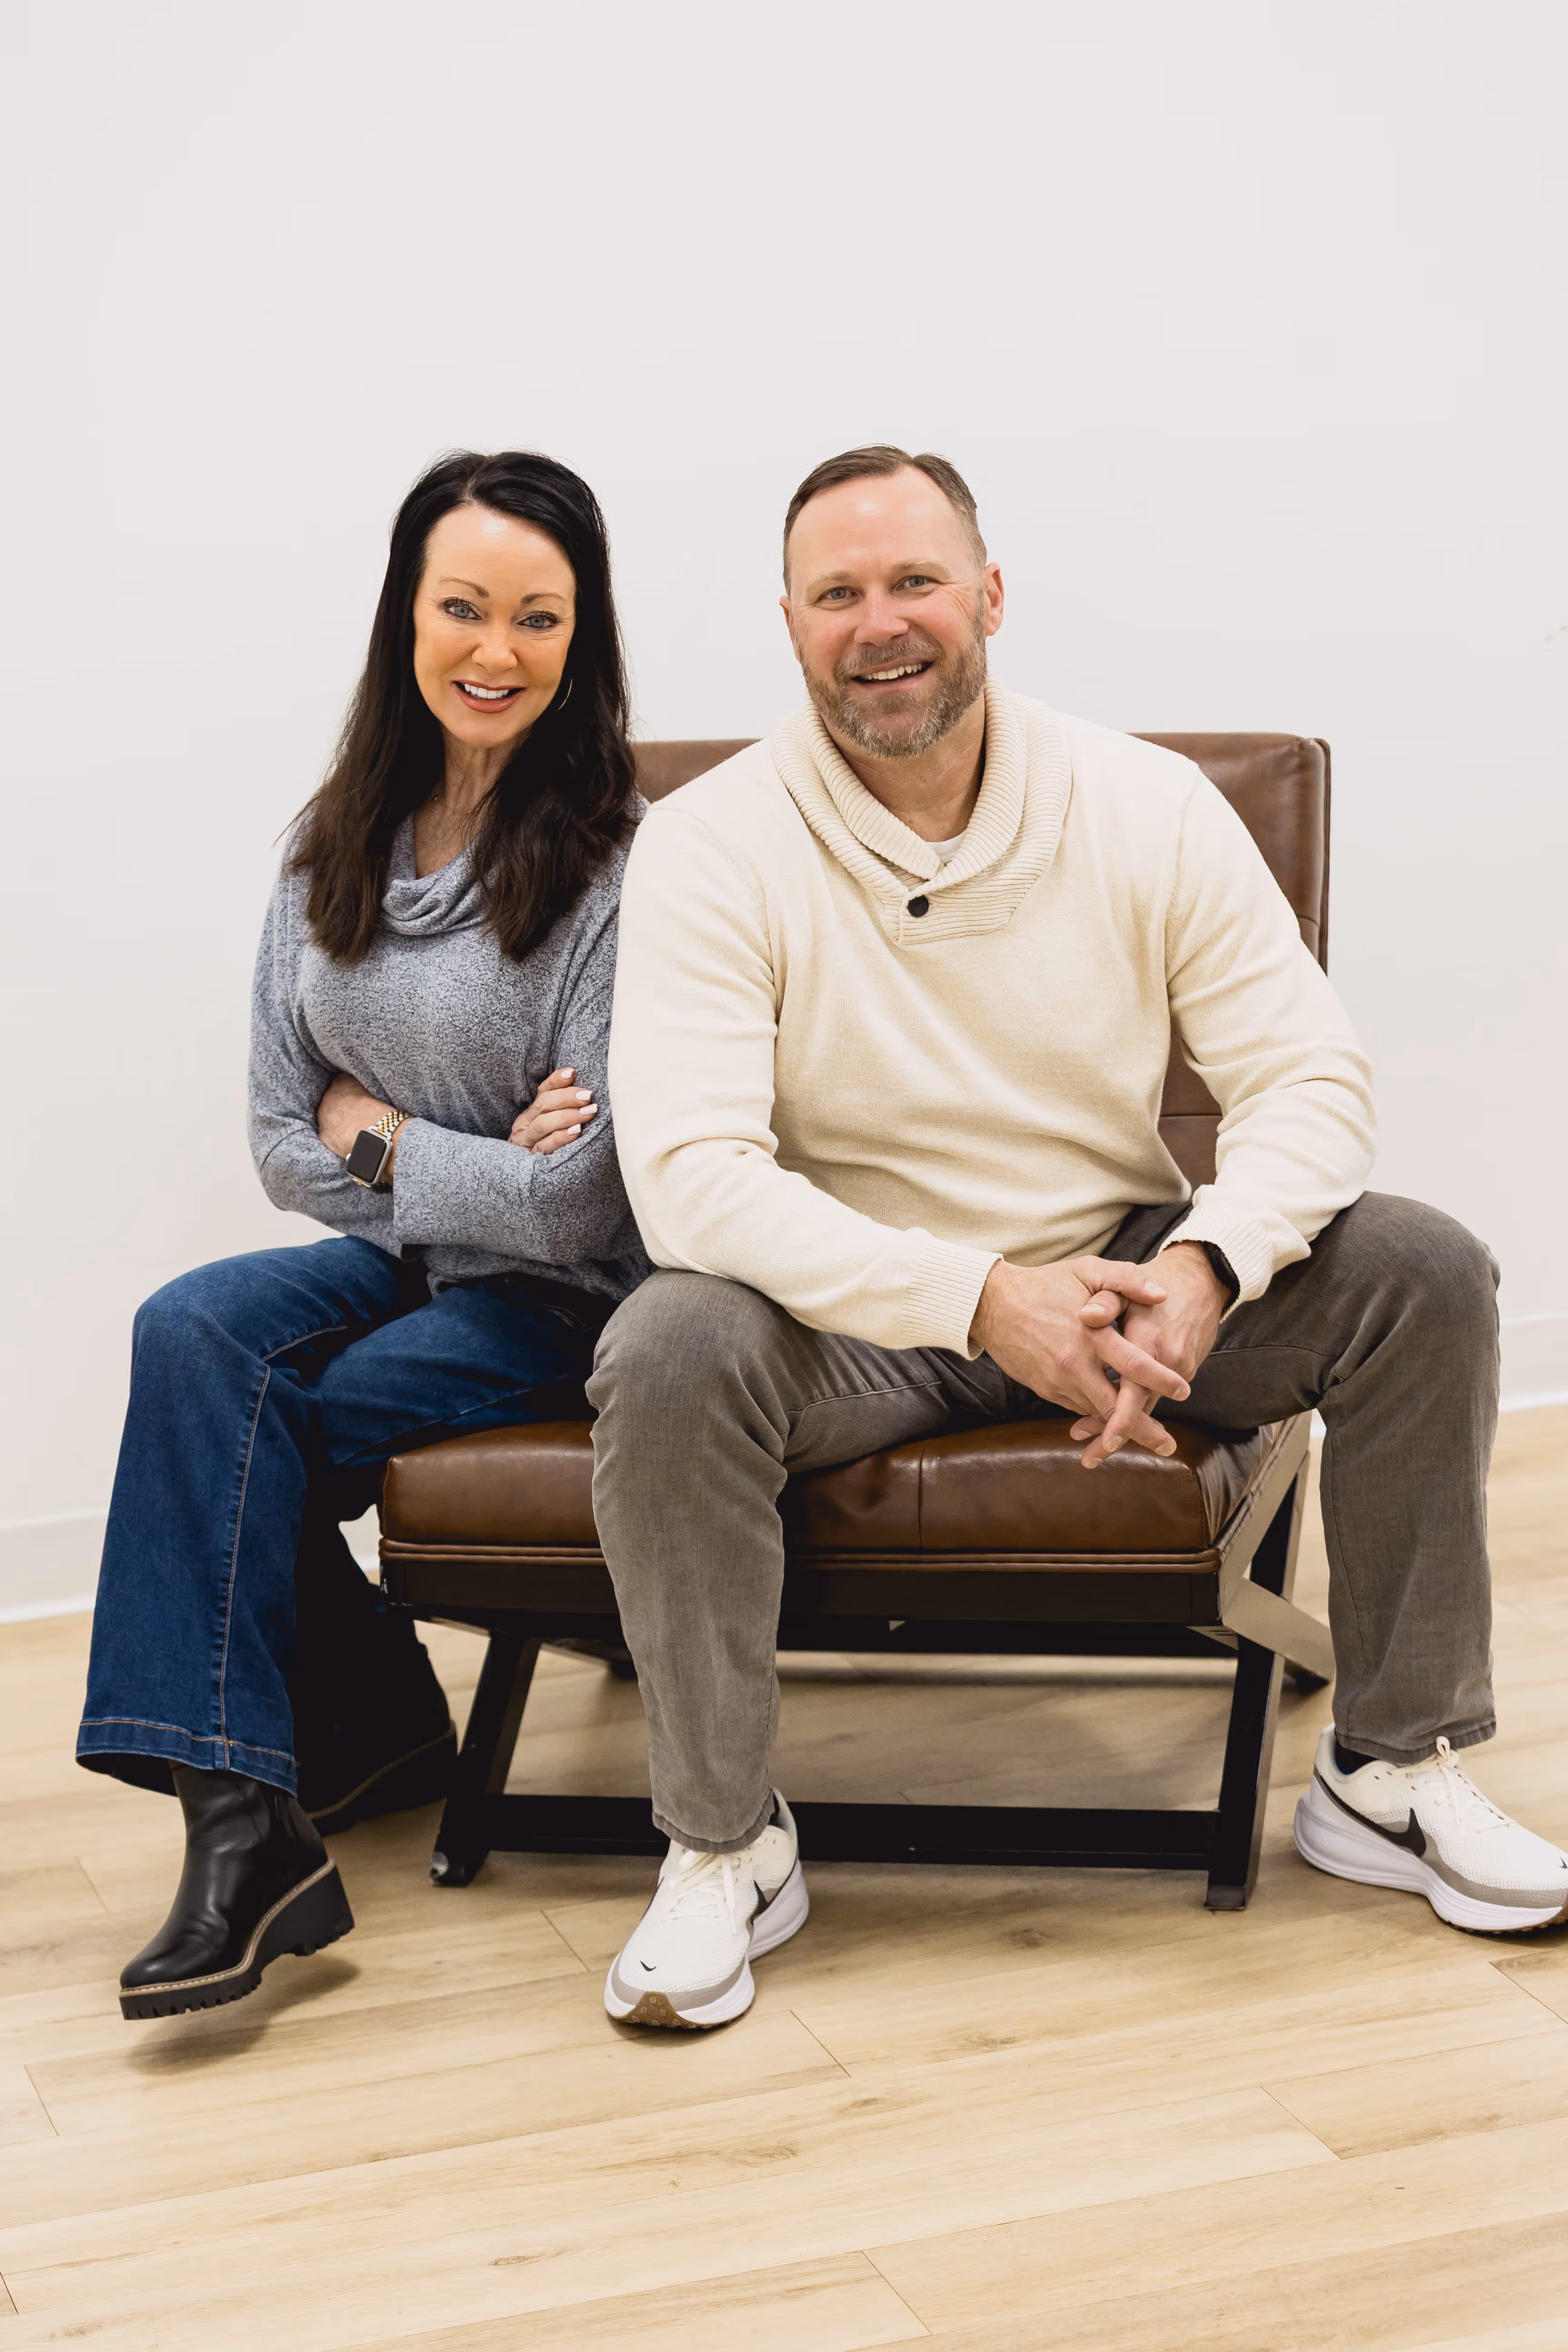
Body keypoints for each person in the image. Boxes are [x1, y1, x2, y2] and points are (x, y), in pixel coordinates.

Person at [589, 442, 1567, 2032]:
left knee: (1422, 1269)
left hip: (1124, 1271)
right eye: (837, 593)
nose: (880, 622)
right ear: (788, 623)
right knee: (668, 1340)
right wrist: (979, 1301)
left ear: (988, 593)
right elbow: (689, 1177)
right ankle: (721, 1842)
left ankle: (1389, 1767)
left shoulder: (1141, 802)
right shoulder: (709, 841)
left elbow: (1308, 1074)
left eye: (915, 580)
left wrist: (1203, 1267)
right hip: (855, 1305)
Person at [78, 449, 649, 2020]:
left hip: (567, 1298)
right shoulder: (330, 835)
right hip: (409, 1261)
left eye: (539, 618)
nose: (495, 650)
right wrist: (457, 1161)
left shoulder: (616, 862)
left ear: (579, 638)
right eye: (462, 606)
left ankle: (282, 1805)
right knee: (191, 1330)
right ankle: (263, 1807)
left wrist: (379, 1131)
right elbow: (275, 1137)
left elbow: (586, 1202)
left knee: (264, 1425)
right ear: (406, 613)